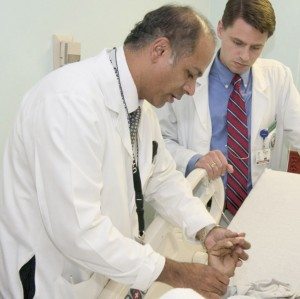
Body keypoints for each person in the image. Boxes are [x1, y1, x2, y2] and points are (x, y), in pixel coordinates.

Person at [0, 5, 250, 299]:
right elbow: (78, 231)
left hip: (104, 279)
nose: (191, 89)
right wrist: (178, 273)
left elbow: (164, 178)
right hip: (51, 282)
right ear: (159, 50)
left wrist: (206, 230)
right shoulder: (68, 103)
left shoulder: (138, 107)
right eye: (190, 74)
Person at [157, 0, 300, 216]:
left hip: (259, 207)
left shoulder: (277, 76)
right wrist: (194, 160)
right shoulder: (185, 76)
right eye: (238, 43)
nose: (245, 56)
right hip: (200, 205)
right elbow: (160, 142)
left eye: (256, 47)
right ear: (221, 28)